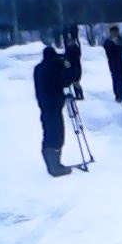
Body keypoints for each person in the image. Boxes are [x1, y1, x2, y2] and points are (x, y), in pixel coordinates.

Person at [33, 46, 74, 177]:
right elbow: (67, 80)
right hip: (54, 106)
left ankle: (54, 164)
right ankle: (54, 167)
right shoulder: (53, 68)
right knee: (56, 135)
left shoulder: (38, 68)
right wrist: (67, 64)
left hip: (45, 106)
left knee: (50, 133)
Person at [103, 25, 122, 102]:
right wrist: (115, 44)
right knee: (116, 78)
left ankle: (121, 92)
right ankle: (118, 94)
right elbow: (109, 51)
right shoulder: (108, 42)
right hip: (113, 63)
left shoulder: (121, 40)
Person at [63, 24, 84, 100]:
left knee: (76, 82)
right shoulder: (70, 49)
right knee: (74, 82)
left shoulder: (75, 49)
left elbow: (74, 58)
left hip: (75, 67)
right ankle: (78, 95)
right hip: (72, 67)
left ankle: (80, 95)